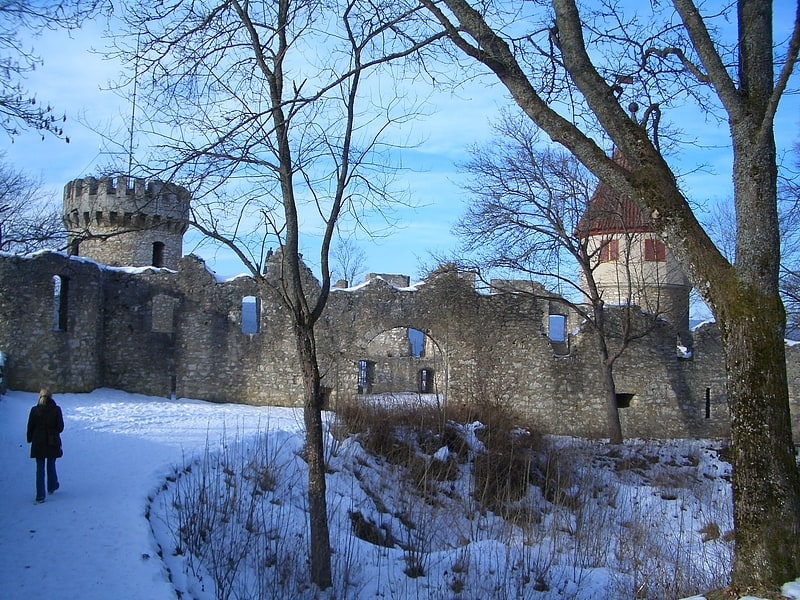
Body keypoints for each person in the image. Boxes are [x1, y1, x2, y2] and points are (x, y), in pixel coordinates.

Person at [26, 388, 64, 503]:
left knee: (39, 468)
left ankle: (40, 495)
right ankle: (52, 485)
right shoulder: (56, 410)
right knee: (51, 464)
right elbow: (60, 427)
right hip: (51, 441)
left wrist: (29, 438)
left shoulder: (34, 410)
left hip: (38, 442)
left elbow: (30, 426)